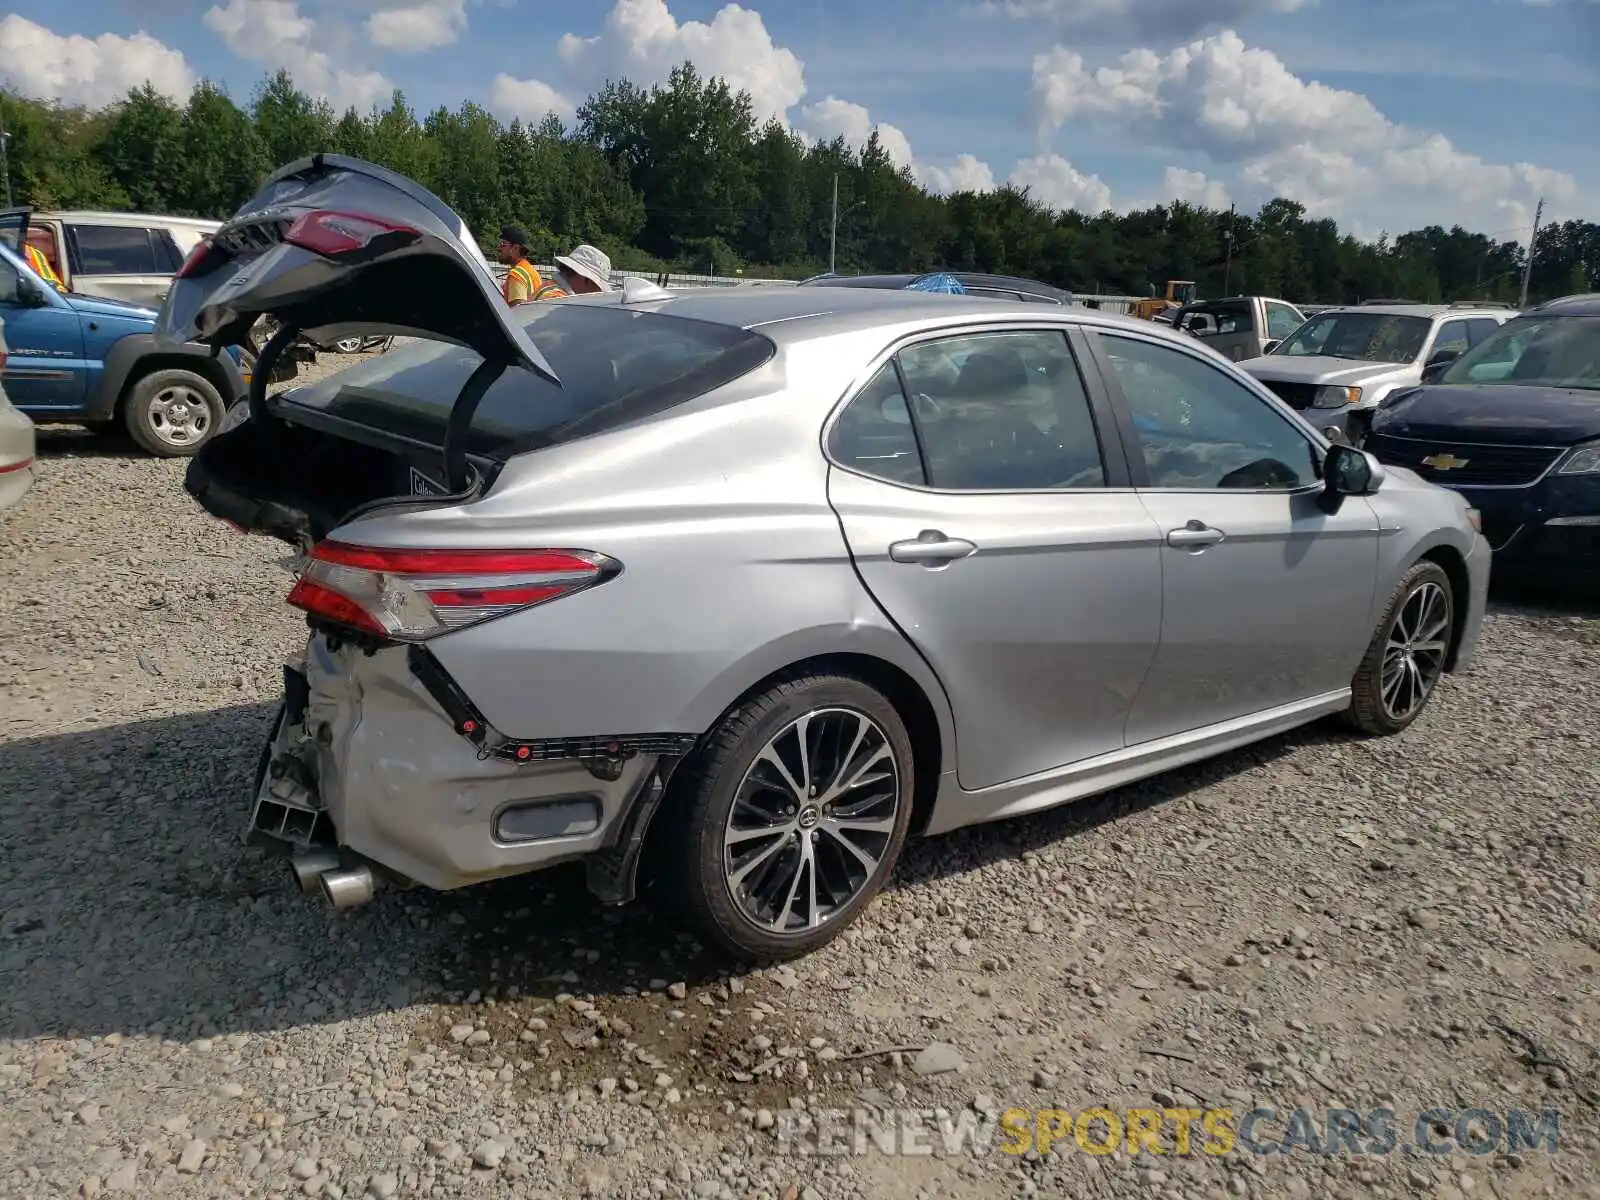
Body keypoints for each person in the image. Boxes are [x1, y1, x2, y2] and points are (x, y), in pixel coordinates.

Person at [532, 244, 613, 300]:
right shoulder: (557, 299)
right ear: (585, 279)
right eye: (597, 288)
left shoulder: (551, 288)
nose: (596, 293)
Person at [496, 225, 544, 306]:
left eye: (503, 243)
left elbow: (517, 312)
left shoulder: (516, 275)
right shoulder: (530, 270)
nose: (499, 247)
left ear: (515, 248)